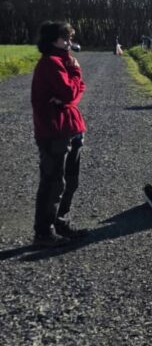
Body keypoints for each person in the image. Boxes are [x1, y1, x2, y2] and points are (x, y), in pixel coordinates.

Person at [31, 21, 88, 247]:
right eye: (65, 38)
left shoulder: (63, 61)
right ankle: (44, 231)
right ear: (53, 40)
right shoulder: (52, 64)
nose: (69, 42)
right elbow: (69, 91)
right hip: (54, 132)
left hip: (71, 128)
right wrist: (74, 73)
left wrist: (68, 95)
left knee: (70, 181)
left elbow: (75, 92)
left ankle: (60, 221)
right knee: (54, 181)